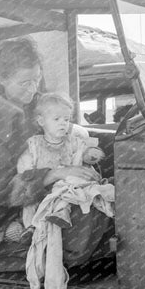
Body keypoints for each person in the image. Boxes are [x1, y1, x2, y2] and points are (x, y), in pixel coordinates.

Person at [0, 37, 113, 281]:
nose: (32, 89)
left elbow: (65, 133)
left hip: (48, 188)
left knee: (100, 195)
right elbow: (1, 188)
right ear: (2, 79)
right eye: (24, 83)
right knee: (83, 217)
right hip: (6, 209)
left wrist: (81, 153)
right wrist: (54, 174)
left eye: (36, 79)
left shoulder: (39, 104)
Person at [18, 92, 108, 229]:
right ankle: (31, 228)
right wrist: (29, 170)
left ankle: (61, 216)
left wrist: (90, 155)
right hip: (43, 191)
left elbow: (83, 152)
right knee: (29, 205)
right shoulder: (34, 145)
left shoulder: (73, 142)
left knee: (74, 192)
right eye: (56, 119)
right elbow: (24, 171)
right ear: (41, 121)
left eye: (66, 120)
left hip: (66, 190)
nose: (63, 123)